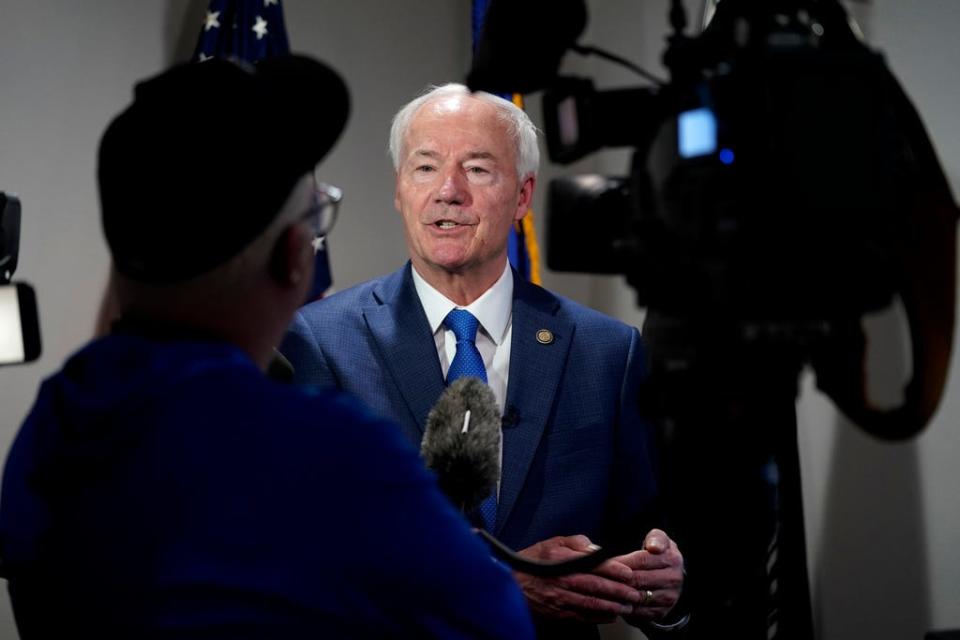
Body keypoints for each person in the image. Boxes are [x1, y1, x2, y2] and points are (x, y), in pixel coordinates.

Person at [0, 60, 534, 639]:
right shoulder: (330, 452)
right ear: (292, 256)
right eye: (315, 215)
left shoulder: (52, 428)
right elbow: (496, 627)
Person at [280, 83, 688, 638]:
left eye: (476, 169)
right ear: (400, 189)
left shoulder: (607, 352)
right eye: (425, 168)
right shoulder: (318, 341)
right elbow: (310, 546)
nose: (448, 191)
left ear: (522, 196)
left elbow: (641, 532)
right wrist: (503, 584)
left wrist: (661, 577)